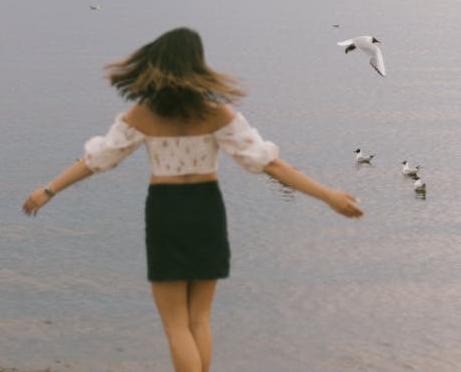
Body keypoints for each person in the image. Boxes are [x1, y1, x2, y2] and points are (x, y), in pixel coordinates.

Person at [23, 27, 363, 372]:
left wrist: (48, 190)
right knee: (199, 321)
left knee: (175, 325)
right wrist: (327, 195)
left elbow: (97, 161)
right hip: (206, 210)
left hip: (166, 211)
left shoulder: (143, 114)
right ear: (197, 64)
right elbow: (270, 164)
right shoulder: (217, 114)